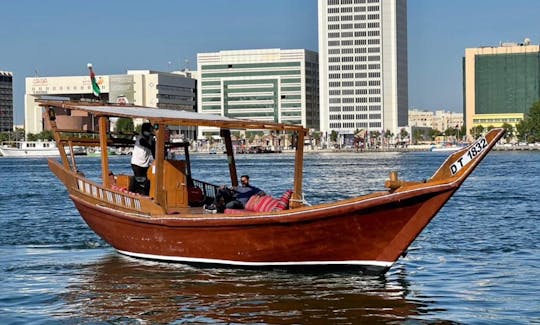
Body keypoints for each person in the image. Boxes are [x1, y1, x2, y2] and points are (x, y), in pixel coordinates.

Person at [130, 122, 155, 195]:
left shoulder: (151, 138)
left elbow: (153, 149)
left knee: (145, 179)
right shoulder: (140, 138)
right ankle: (135, 193)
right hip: (137, 163)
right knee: (139, 179)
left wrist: (155, 158)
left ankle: (143, 193)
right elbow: (145, 144)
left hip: (145, 163)